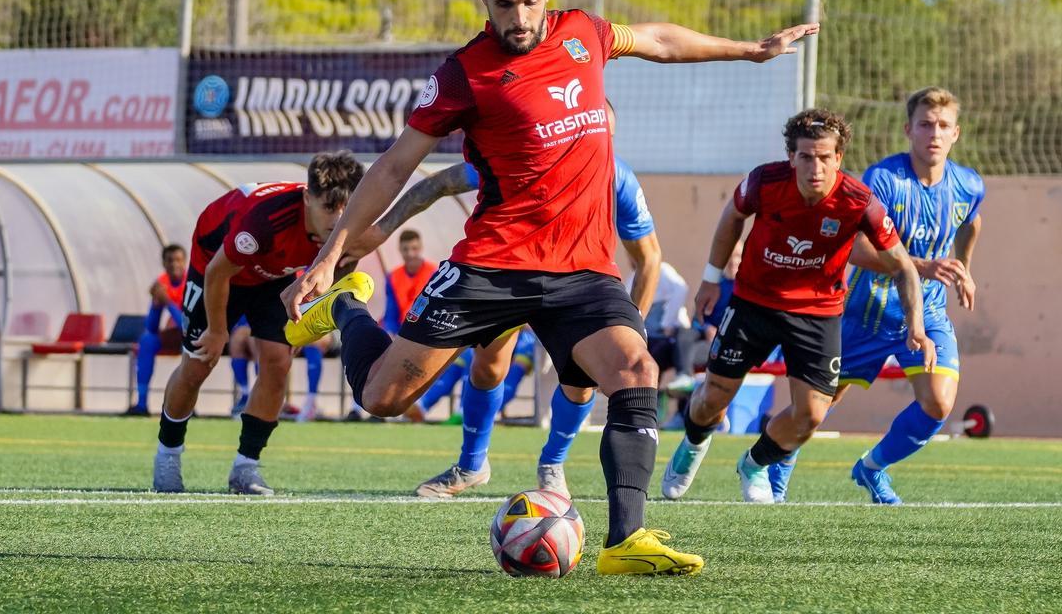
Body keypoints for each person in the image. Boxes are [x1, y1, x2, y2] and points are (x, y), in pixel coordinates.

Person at [281, 0, 817, 575]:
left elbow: (660, 39)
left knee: (635, 372)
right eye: (504, 4)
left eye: (530, 1)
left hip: (579, 272)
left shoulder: (584, 33)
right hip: (492, 267)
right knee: (385, 397)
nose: (519, 17)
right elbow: (396, 168)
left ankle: (626, 541)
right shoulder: (462, 76)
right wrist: (333, 256)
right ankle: (346, 308)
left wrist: (749, 51)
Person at [348, 103, 664, 498]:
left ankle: (552, 464)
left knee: (579, 384)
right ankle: (471, 464)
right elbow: (438, 184)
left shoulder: (618, 177)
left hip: (575, 289)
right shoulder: (525, 155)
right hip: (506, 278)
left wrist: (632, 329)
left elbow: (648, 257)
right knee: (487, 367)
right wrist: (381, 229)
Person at [661, 109, 932, 504]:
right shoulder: (765, 181)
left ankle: (754, 464)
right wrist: (710, 278)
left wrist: (916, 326)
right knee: (711, 401)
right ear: (792, 157)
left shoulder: (859, 202)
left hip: (817, 313)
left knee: (810, 417)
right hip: (753, 302)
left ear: (839, 158)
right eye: (806, 156)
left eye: (824, 157)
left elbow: (903, 266)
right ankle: (692, 444)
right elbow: (732, 216)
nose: (815, 167)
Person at [151, 151, 368, 496]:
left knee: (278, 362)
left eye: (346, 208)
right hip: (218, 269)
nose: (337, 218)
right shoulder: (264, 222)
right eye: (329, 208)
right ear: (307, 197)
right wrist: (218, 330)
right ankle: (168, 454)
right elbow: (218, 272)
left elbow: (344, 264)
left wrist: (311, 318)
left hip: (274, 277)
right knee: (197, 365)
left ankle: (245, 467)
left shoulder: (351, 221)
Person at [833, 86, 985, 504]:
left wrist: (965, 267)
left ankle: (871, 468)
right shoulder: (884, 179)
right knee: (816, 403)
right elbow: (854, 248)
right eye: (925, 125)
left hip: (928, 312)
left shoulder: (968, 185)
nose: (933, 133)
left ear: (956, 133)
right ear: (908, 130)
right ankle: (774, 469)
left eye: (943, 126)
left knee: (938, 403)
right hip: (868, 311)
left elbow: (971, 222)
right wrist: (921, 265)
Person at [124, 244, 187, 416]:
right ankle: (142, 404)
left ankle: (187, 405)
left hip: (194, 334)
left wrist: (167, 301)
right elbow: (151, 327)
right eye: (170, 260)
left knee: (189, 343)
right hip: (172, 333)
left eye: (178, 260)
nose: (174, 264)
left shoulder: (191, 283)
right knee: (147, 340)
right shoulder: (161, 284)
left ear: (185, 262)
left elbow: (186, 325)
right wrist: (156, 304)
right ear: (164, 263)